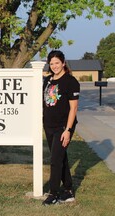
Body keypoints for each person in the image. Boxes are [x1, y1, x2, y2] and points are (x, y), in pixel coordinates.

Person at [42, 50, 80, 205]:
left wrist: (68, 130)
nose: (54, 66)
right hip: (48, 125)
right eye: (51, 63)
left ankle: (53, 194)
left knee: (55, 160)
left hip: (62, 127)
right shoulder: (48, 80)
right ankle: (69, 191)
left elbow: (74, 109)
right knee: (61, 158)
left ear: (63, 63)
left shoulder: (70, 82)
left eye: (57, 62)